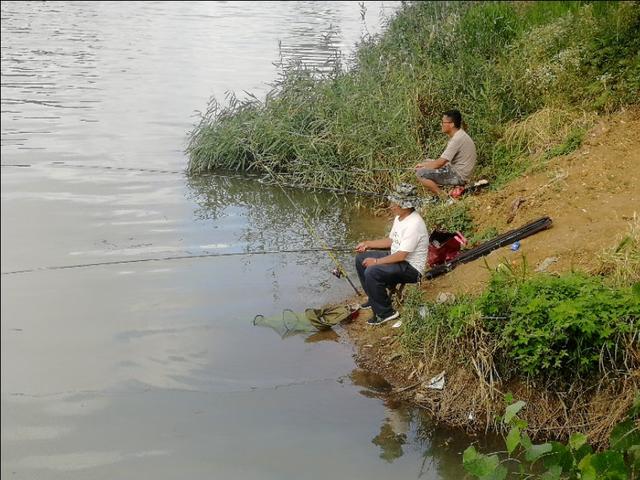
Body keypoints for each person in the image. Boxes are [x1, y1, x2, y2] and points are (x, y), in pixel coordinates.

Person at [354, 184, 429, 326]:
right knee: (360, 259)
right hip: (398, 258)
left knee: (372, 270)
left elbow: (401, 256)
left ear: (406, 206)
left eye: (395, 203)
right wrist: (368, 244)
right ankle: (374, 298)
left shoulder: (414, 224)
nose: (391, 206)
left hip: (411, 268)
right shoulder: (400, 217)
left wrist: (376, 261)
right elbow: (391, 241)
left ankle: (386, 313)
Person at [415, 109, 476, 200]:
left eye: (443, 122)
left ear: (451, 124)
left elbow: (439, 163)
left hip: (459, 175)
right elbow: (442, 162)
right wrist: (424, 164)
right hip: (460, 171)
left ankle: (444, 197)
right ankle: (449, 190)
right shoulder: (459, 135)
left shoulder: (456, 140)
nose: (441, 124)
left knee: (420, 173)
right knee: (426, 162)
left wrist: (423, 167)